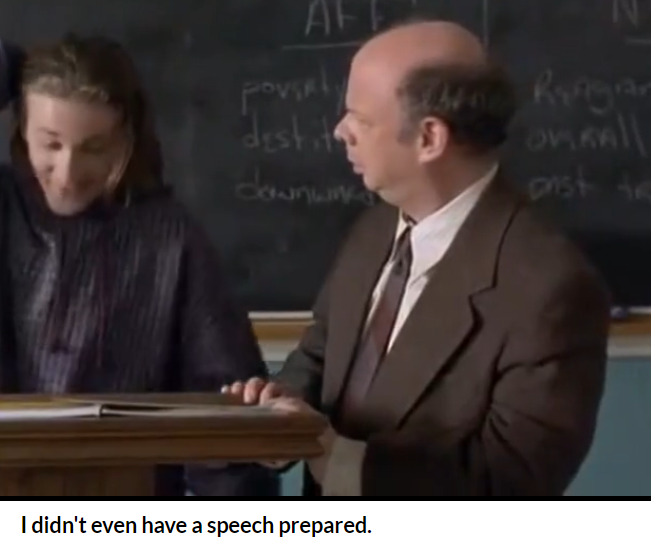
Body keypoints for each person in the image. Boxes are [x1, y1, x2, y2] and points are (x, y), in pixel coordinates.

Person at [0, 34, 277, 496]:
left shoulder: (169, 239)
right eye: (51, 144)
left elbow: (225, 411)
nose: (67, 175)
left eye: (94, 148)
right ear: (22, 128)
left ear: (126, 139)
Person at [224, 19, 612, 496]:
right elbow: (319, 357)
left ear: (429, 138)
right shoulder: (375, 229)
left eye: (361, 119)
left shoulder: (550, 289)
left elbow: (511, 481)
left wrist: (331, 454)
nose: (340, 131)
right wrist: (278, 411)